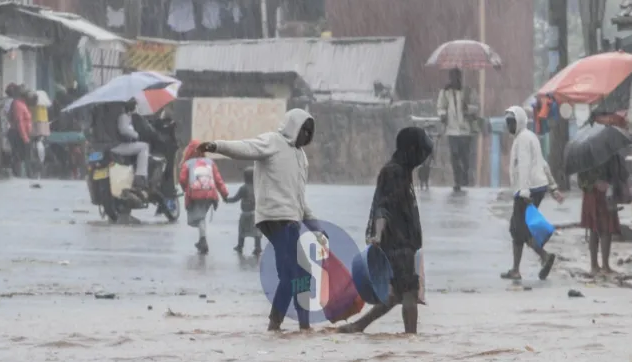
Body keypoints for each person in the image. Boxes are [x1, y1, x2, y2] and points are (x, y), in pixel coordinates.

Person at [198, 108, 327, 332]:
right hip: (274, 218)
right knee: (299, 273)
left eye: (309, 132)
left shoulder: (301, 158)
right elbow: (244, 148)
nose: (306, 136)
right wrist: (216, 145)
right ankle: (291, 326)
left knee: (291, 274)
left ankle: (285, 326)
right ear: (293, 127)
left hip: (292, 220)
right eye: (303, 130)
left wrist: (315, 226)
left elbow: (298, 198)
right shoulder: (273, 142)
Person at [338, 127, 432, 335]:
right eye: (420, 152)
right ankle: (411, 340)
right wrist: (378, 235)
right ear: (411, 149)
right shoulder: (394, 172)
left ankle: (357, 326)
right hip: (397, 244)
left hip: (405, 243)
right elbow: (383, 207)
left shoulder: (403, 171)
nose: (422, 158)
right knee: (409, 292)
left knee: (396, 294)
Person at [501, 106, 564, 281]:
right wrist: (553, 187)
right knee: (518, 227)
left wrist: (524, 191)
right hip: (536, 187)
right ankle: (515, 269)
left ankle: (544, 256)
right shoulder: (530, 137)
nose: (509, 126)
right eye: (508, 123)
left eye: (512, 122)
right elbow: (543, 163)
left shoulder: (522, 140)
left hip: (528, 189)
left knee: (518, 228)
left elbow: (524, 166)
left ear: (519, 122)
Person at [579, 154, 630, 275]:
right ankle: (604, 266)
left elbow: (581, 178)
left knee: (595, 228)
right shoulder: (610, 151)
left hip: (595, 192)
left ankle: (595, 265)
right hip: (600, 194)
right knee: (605, 229)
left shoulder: (586, 152)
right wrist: (598, 183)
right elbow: (620, 173)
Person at [179, 140, 229, 254]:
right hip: (210, 193)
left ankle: (203, 240)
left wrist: (185, 188)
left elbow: (182, 180)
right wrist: (224, 194)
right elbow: (218, 180)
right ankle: (201, 239)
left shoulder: (188, 164)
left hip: (195, 193)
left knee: (200, 218)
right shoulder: (210, 162)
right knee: (201, 217)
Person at [437, 68, 479, 192]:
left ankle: (465, 176)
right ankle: (457, 180)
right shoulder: (445, 92)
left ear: (460, 78)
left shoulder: (469, 91)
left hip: (466, 130)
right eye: (452, 77)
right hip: (452, 130)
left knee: (465, 156)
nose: (455, 80)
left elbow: (476, 106)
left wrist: (469, 109)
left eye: (457, 77)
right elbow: (440, 106)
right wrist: (443, 114)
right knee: (454, 156)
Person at [112, 98, 150, 190]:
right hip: (117, 146)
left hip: (111, 145)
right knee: (144, 147)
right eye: (134, 104)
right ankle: (140, 176)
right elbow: (124, 130)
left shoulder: (115, 115)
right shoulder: (123, 115)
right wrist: (136, 135)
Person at [224, 166, 262, 256]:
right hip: (256, 213)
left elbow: (235, 199)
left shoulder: (243, 188)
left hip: (245, 213)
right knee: (257, 231)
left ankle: (240, 246)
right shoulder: (259, 187)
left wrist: (226, 200)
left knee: (242, 230)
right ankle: (258, 247)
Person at [6, 84, 32, 177]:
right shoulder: (18, 105)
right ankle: (20, 174)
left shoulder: (22, 104)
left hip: (21, 133)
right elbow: (20, 122)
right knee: (20, 155)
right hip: (18, 134)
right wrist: (25, 137)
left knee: (22, 155)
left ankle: (22, 173)